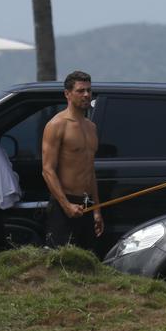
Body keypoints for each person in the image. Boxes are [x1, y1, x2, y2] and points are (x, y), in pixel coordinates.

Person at [41, 70, 104, 250]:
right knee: (61, 263)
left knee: (86, 261)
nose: (86, 95)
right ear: (67, 94)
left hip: (87, 204)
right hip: (64, 204)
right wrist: (66, 205)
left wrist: (97, 210)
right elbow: (47, 170)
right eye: (80, 90)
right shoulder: (57, 125)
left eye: (89, 90)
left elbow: (90, 170)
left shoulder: (91, 127)